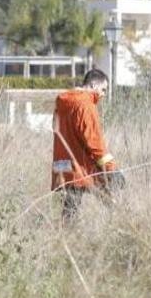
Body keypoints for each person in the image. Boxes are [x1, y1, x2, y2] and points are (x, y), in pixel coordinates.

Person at [51, 68, 124, 219]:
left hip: (61, 166)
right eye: (103, 89)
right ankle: (120, 226)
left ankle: (65, 239)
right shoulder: (85, 104)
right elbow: (94, 142)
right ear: (93, 85)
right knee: (111, 202)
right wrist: (111, 169)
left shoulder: (61, 102)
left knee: (69, 211)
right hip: (79, 167)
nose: (103, 94)